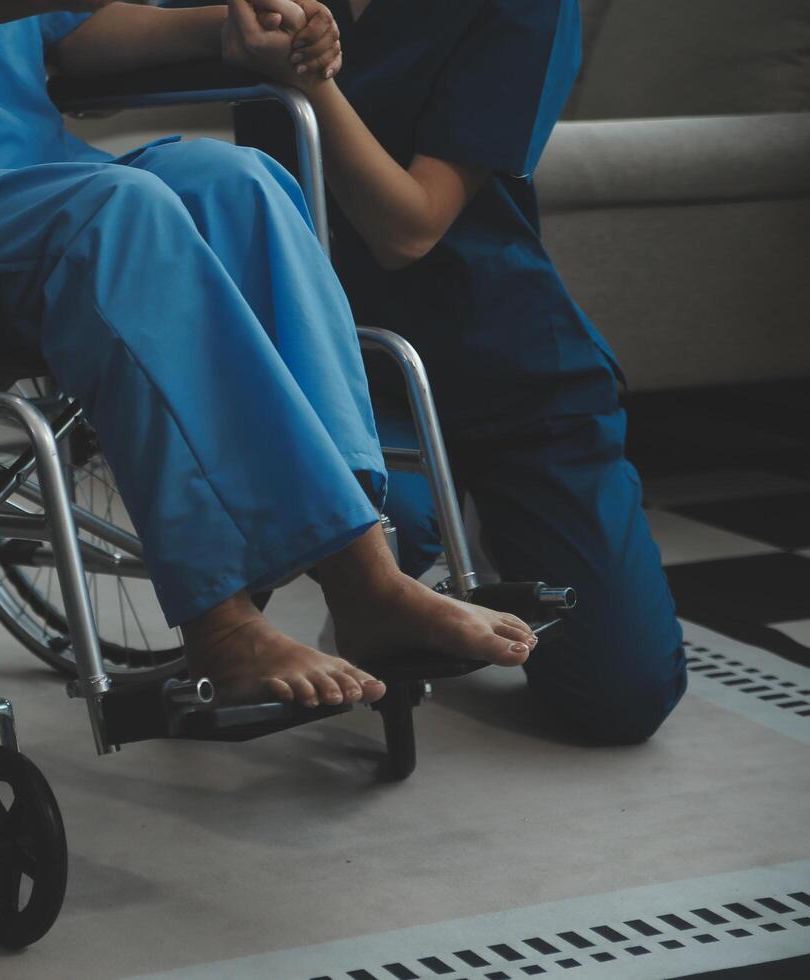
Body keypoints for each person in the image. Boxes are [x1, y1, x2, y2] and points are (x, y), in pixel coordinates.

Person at [0, 0, 541, 710]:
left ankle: (365, 572)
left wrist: (223, 29)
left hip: (23, 179)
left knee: (238, 184)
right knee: (121, 212)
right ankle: (222, 618)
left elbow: (72, 29)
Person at [225, 0, 686, 741]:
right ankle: (427, 530)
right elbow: (90, 42)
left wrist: (311, 83)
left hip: (512, 370)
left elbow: (407, 230)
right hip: (349, 378)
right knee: (387, 551)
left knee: (621, 700)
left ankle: (494, 520)